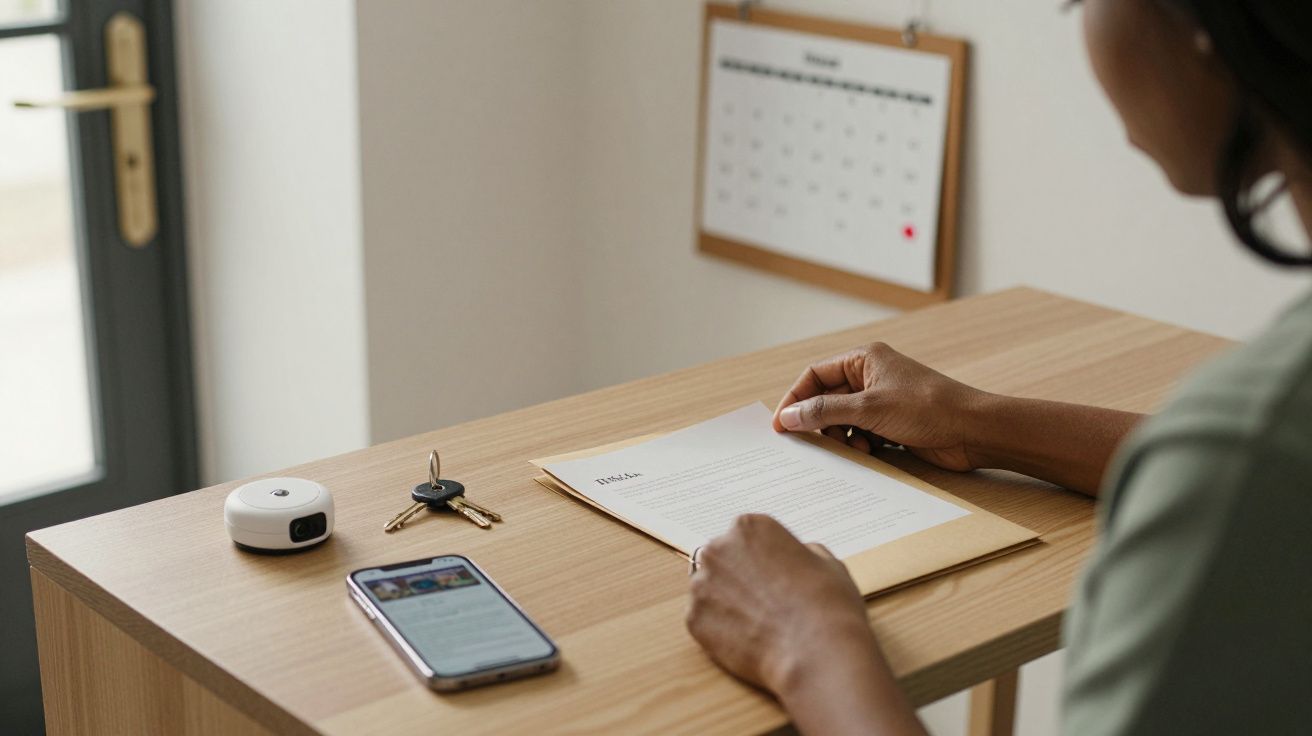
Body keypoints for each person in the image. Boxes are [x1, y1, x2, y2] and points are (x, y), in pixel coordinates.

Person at [684, 1, 1312, 733]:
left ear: (1212, 28)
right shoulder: (1255, 445)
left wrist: (807, 642)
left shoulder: (1247, 449)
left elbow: (1245, 469)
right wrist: (978, 424)